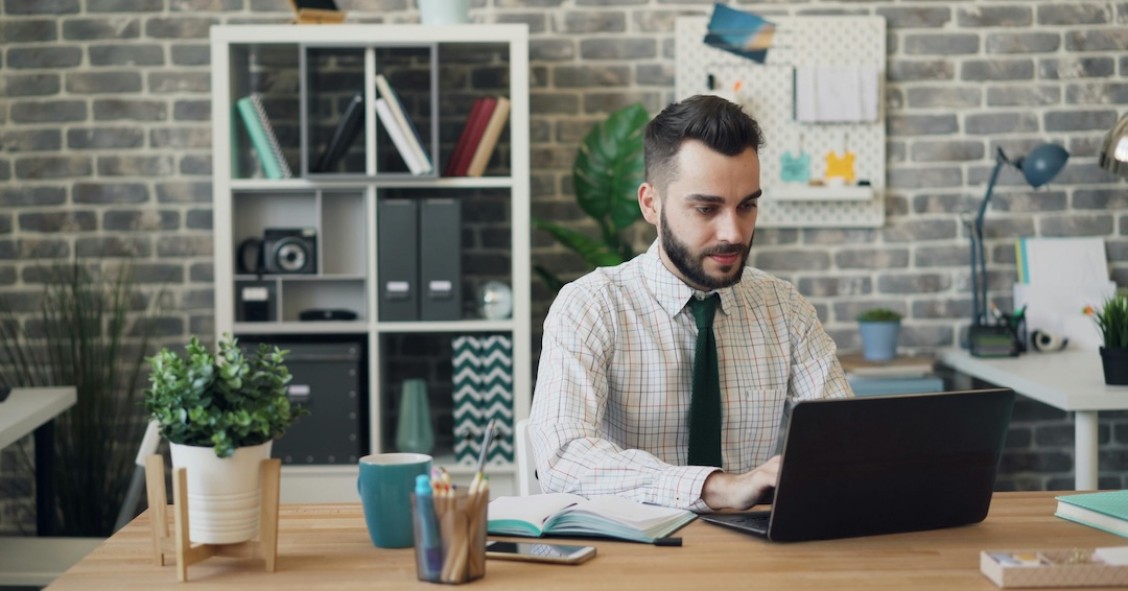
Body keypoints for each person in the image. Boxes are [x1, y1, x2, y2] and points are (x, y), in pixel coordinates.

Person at [527, 95, 853, 513]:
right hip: (634, 561)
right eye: (706, 208)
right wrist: (715, 487)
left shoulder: (784, 309)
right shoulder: (591, 306)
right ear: (651, 203)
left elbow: (844, 443)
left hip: (758, 560)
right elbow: (563, 457)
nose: (733, 233)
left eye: (747, 206)